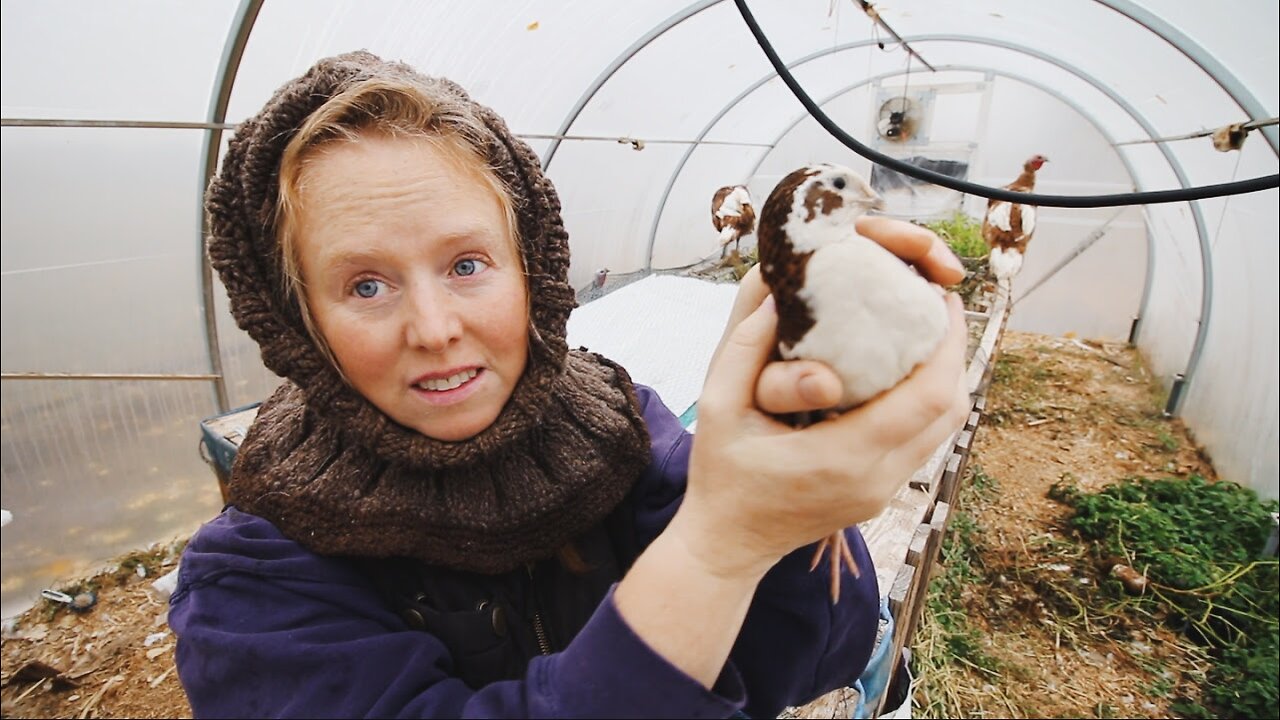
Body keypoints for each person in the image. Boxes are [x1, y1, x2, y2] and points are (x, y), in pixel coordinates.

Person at [169, 50, 970, 719]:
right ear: (297, 317)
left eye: (467, 265)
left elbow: (808, 658)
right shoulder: (253, 586)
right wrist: (718, 549)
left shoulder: (612, 428)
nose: (436, 327)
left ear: (534, 272)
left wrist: (783, 468)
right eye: (366, 286)